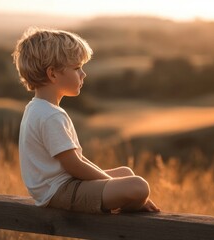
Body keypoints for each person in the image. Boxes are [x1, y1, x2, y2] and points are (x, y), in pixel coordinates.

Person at [12, 27, 160, 214]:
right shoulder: (51, 115)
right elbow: (74, 165)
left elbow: (77, 159)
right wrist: (110, 183)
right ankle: (123, 216)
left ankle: (123, 201)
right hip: (60, 192)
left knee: (125, 173)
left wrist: (110, 181)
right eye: (76, 68)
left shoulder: (36, 107)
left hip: (61, 187)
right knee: (139, 187)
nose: (83, 74)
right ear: (53, 74)